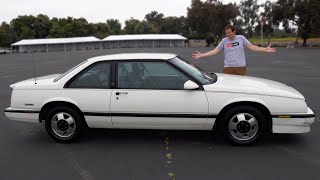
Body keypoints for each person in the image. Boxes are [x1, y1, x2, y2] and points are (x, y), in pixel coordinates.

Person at [192, 24, 276, 76]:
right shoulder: (224, 41)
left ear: (234, 31)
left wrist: (265, 49)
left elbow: (252, 47)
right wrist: (201, 55)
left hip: (240, 68)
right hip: (228, 68)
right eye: (226, 33)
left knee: (239, 88)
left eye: (229, 32)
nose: (228, 35)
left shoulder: (241, 38)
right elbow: (215, 51)